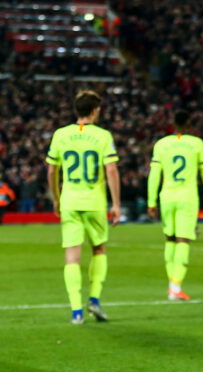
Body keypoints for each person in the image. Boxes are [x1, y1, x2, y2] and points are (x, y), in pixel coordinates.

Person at [45, 90, 121, 324]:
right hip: (94, 202)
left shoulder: (60, 134)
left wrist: (56, 198)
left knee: (72, 257)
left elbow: (51, 170)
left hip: (69, 201)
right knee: (98, 249)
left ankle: (76, 310)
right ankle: (95, 300)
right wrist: (116, 204)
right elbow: (110, 169)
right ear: (95, 110)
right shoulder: (102, 136)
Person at [147, 109, 203, 300]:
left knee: (170, 239)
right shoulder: (197, 144)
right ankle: (176, 287)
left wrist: (151, 201)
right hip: (188, 196)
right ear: (189, 125)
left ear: (173, 124)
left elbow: (154, 175)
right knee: (183, 240)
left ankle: (171, 284)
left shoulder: (161, 144)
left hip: (166, 196)